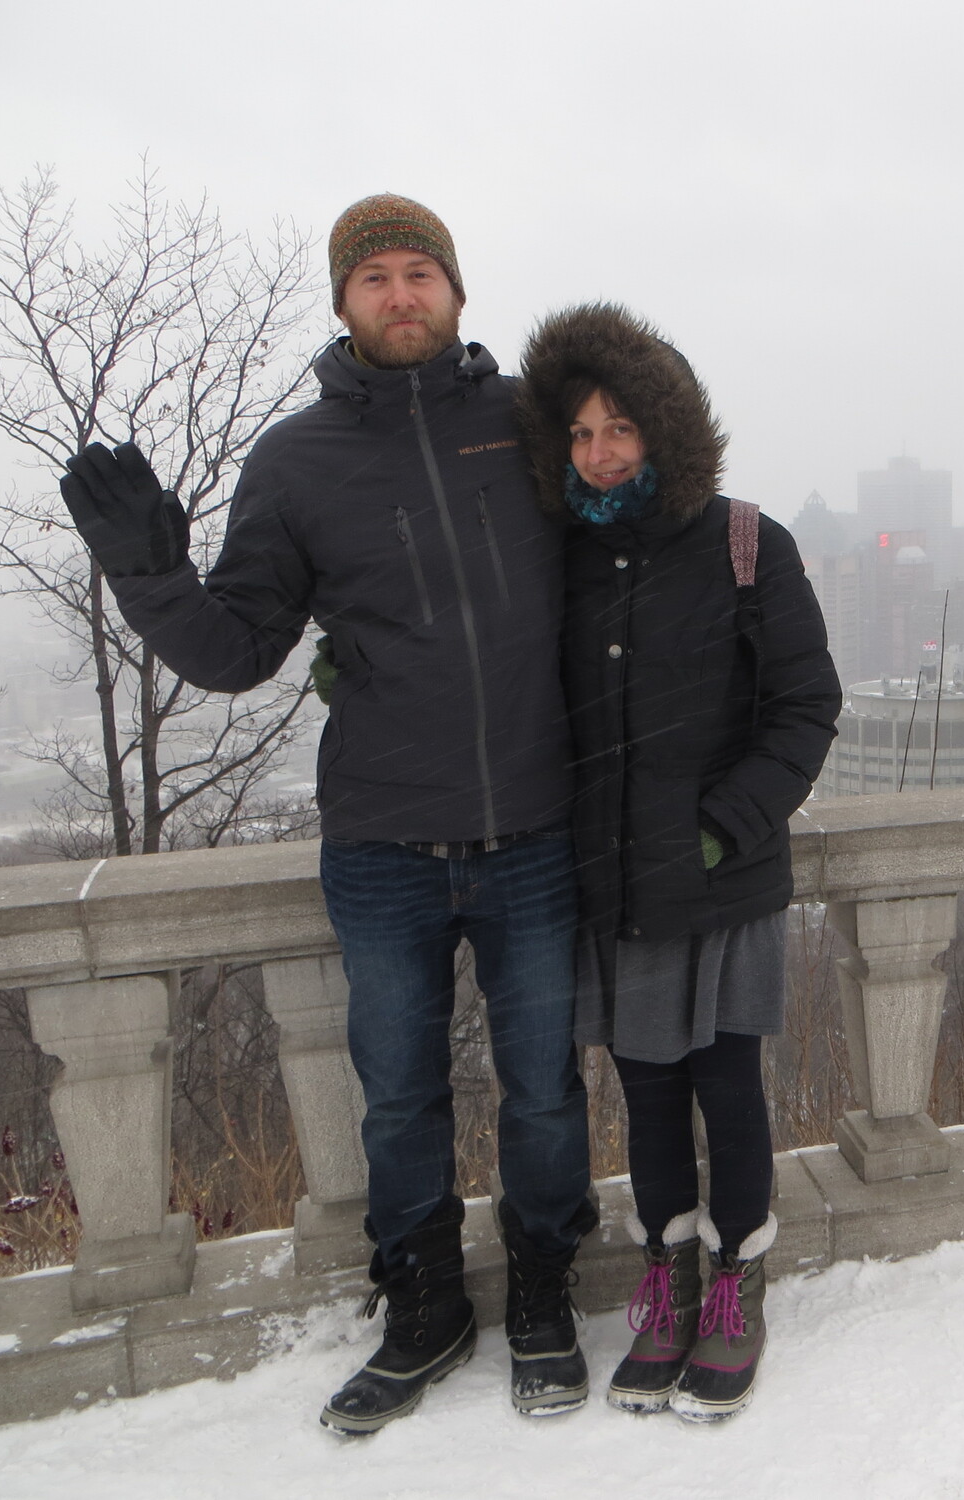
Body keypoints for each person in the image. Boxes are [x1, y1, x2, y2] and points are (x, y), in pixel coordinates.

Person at [55, 195, 598, 1433]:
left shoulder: (530, 424)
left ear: (455, 289)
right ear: (344, 301)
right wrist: (149, 574)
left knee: (543, 1090)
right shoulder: (294, 461)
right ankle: (424, 1304)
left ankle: (543, 1289)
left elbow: (624, 549)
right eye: (375, 278)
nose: (400, 294)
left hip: (535, 829)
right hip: (382, 845)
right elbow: (238, 648)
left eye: (420, 271)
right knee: (397, 1097)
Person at [515, 304, 840, 1422]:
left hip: (719, 876)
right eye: (580, 433)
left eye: (620, 427)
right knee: (646, 1094)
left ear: (666, 427)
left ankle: (737, 1282)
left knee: (726, 1089)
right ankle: (668, 1279)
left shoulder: (747, 543)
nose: (600, 452)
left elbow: (805, 706)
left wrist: (722, 827)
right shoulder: (560, 555)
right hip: (611, 881)